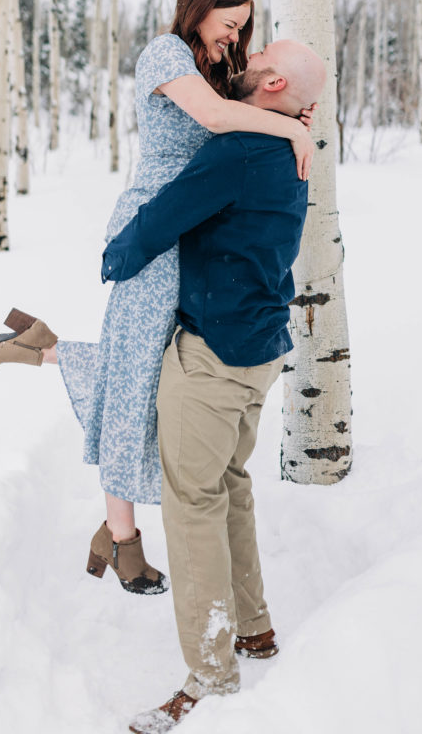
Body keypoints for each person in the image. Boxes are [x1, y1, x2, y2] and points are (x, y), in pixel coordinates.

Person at [0, 0, 316, 595]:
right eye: (230, 25)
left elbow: (239, 118)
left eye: (244, 29)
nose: (237, 37)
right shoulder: (165, 54)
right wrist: (294, 127)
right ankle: (121, 538)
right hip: (155, 231)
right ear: (199, 9)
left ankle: (44, 347)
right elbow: (217, 121)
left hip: (195, 233)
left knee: (162, 373)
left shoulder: (216, 69)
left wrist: (288, 108)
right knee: (136, 377)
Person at [98, 39, 327, 732]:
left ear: (273, 80)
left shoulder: (237, 151)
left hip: (213, 354)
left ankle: (209, 675)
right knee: (227, 484)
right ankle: (253, 628)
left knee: (191, 503)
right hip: (259, 348)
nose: (245, 55)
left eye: (259, 53)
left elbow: (160, 223)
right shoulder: (289, 148)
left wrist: (113, 257)